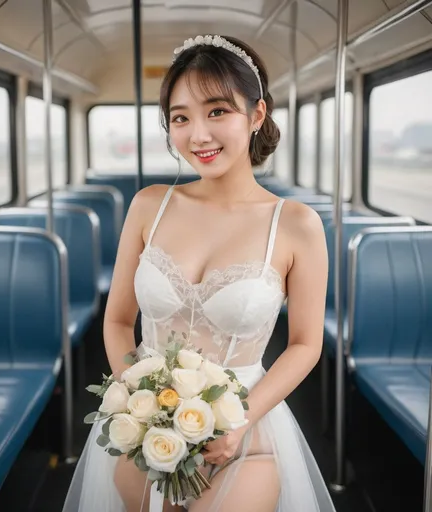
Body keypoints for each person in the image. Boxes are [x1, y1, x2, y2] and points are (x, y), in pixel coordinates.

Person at [63, 34, 335, 512]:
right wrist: (141, 401)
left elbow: (305, 344)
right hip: (147, 424)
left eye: (217, 111)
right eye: (180, 118)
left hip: (246, 428)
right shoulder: (149, 205)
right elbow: (118, 321)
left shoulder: (295, 225)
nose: (198, 136)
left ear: (256, 115)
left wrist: (240, 421)